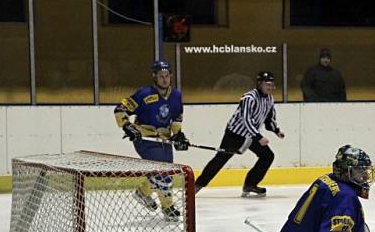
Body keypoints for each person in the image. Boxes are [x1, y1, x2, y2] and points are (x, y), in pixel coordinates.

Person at [114, 60, 189, 221]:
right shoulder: (143, 94)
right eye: (161, 76)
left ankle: (142, 192)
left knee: (161, 172)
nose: (164, 79)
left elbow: (176, 119)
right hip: (145, 138)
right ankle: (168, 207)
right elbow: (120, 109)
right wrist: (127, 126)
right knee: (164, 174)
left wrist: (177, 135)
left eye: (167, 75)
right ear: (154, 76)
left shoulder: (176, 95)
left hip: (164, 139)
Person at [194, 71, 285, 197]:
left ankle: (250, 184)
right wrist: (259, 137)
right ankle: (197, 185)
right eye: (266, 84)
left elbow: (269, 119)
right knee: (220, 159)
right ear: (260, 84)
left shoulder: (269, 99)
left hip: (251, 135)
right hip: (235, 134)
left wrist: (276, 131)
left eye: (271, 84)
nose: (270, 87)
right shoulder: (249, 98)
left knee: (267, 156)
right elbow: (246, 119)